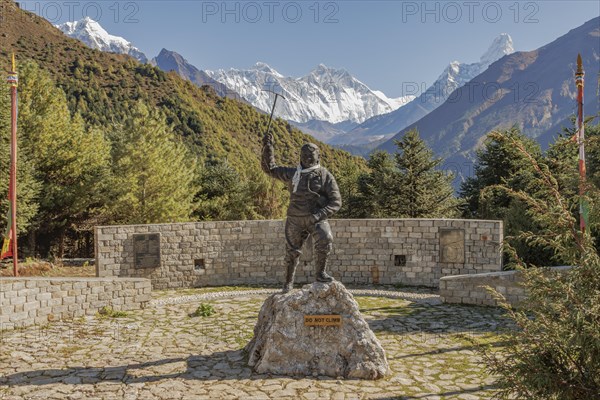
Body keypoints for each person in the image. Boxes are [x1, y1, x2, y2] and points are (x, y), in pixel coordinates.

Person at [261, 133, 342, 293]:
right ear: (300, 157)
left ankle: (320, 274)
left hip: (316, 218)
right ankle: (287, 283)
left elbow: (336, 202)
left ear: (318, 157)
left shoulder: (325, 176)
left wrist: (318, 216)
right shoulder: (292, 174)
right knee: (292, 252)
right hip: (295, 220)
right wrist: (268, 147)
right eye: (304, 155)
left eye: (311, 155)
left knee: (326, 239)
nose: (307, 158)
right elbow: (269, 168)